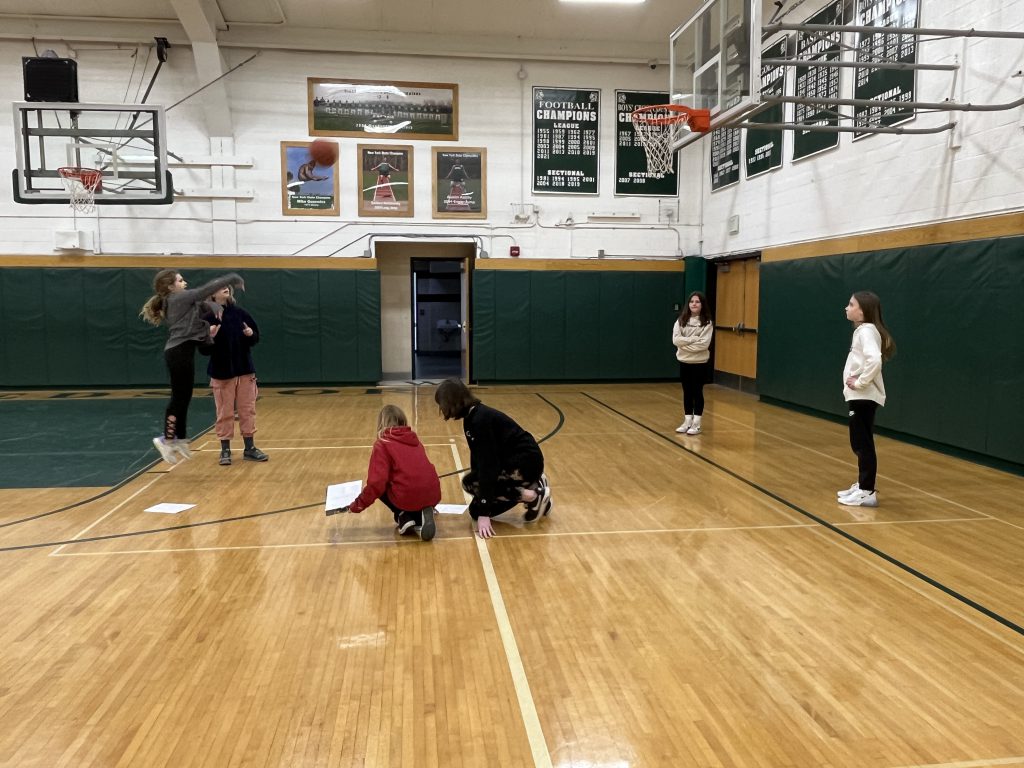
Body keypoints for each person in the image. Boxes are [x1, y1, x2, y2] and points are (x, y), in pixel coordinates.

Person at [141, 270, 245, 464]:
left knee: (185, 396)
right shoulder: (177, 298)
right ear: (171, 287)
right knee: (178, 397)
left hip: (183, 352)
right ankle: (166, 439)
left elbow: (203, 308)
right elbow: (205, 291)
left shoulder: (181, 302)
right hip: (178, 352)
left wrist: (215, 308)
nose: (185, 283)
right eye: (180, 280)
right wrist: (232, 278)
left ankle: (179, 438)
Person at [434, 379, 551, 539]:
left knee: (471, 484)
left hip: (525, 463)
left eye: (442, 405)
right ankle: (533, 485)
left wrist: (485, 512)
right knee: (474, 510)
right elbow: (478, 459)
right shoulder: (472, 417)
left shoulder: (479, 421)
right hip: (513, 463)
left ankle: (533, 495)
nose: (441, 410)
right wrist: (482, 503)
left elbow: (488, 466)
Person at [326, 405, 440, 542]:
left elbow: (376, 483)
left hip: (407, 496)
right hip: (432, 493)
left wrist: (357, 505)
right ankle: (418, 514)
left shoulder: (383, 444)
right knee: (404, 480)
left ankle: (403, 514)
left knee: (382, 484)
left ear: (381, 423)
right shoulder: (415, 440)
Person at [838, 291, 896, 508]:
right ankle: (863, 485)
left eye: (851, 304)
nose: (847, 307)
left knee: (862, 444)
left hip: (864, 396)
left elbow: (875, 360)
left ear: (862, 311)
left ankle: (866, 491)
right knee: (859, 442)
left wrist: (860, 382)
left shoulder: (866, 331)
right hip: (860, 396)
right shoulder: (864, 331)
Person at [203, 285, 268, 466]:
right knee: (224, 412)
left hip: (245, 370)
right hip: (221, 372)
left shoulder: (240, 314)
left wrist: (250, 334)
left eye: (227, 286)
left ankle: (250, 448)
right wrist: (209, 337)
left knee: (247, 410)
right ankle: (225, 449)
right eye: (221, 287)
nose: (226, 288)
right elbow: (202, 349)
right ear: (212, 294)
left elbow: (255, 337)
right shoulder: (208, 317)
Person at [672, 291, 714, 435]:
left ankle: (696, 424)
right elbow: (676, 340)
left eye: (697, 302)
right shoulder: (681, 320)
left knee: (697, 391)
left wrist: (684, 344)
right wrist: (694, 339)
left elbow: (703, 345)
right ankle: (687, 421)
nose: (694, 304)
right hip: (684, 361)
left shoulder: (707, 323)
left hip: (699, 363)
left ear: (702, 305)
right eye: (691, 301)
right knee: (687, 392)